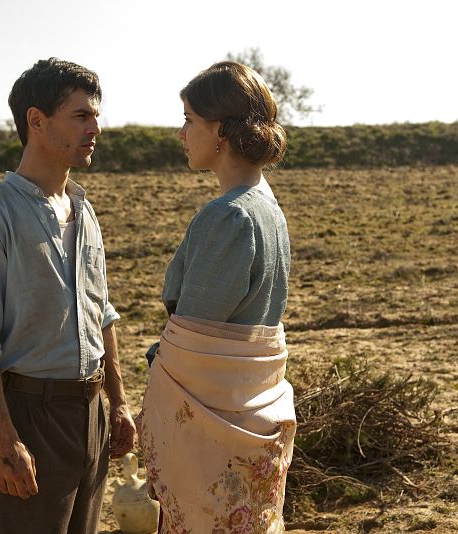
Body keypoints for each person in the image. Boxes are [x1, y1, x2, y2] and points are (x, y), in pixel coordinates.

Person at [0, 58, 135, 534]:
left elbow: (101, 314)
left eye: (96, 116)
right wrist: (5, 438)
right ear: (36, 120)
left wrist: (117, 402)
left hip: (91, 416)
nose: (96, 128)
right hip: (29, 417)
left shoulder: (85, 212)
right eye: (81, 116)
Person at [138, 62, 296, 533]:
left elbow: (193, 342)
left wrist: (159, 362)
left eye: (189, 119)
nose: (181, 133)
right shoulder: (268, 207)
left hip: (215, 427)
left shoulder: (230, 216)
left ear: (222, 131)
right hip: (252, 409)